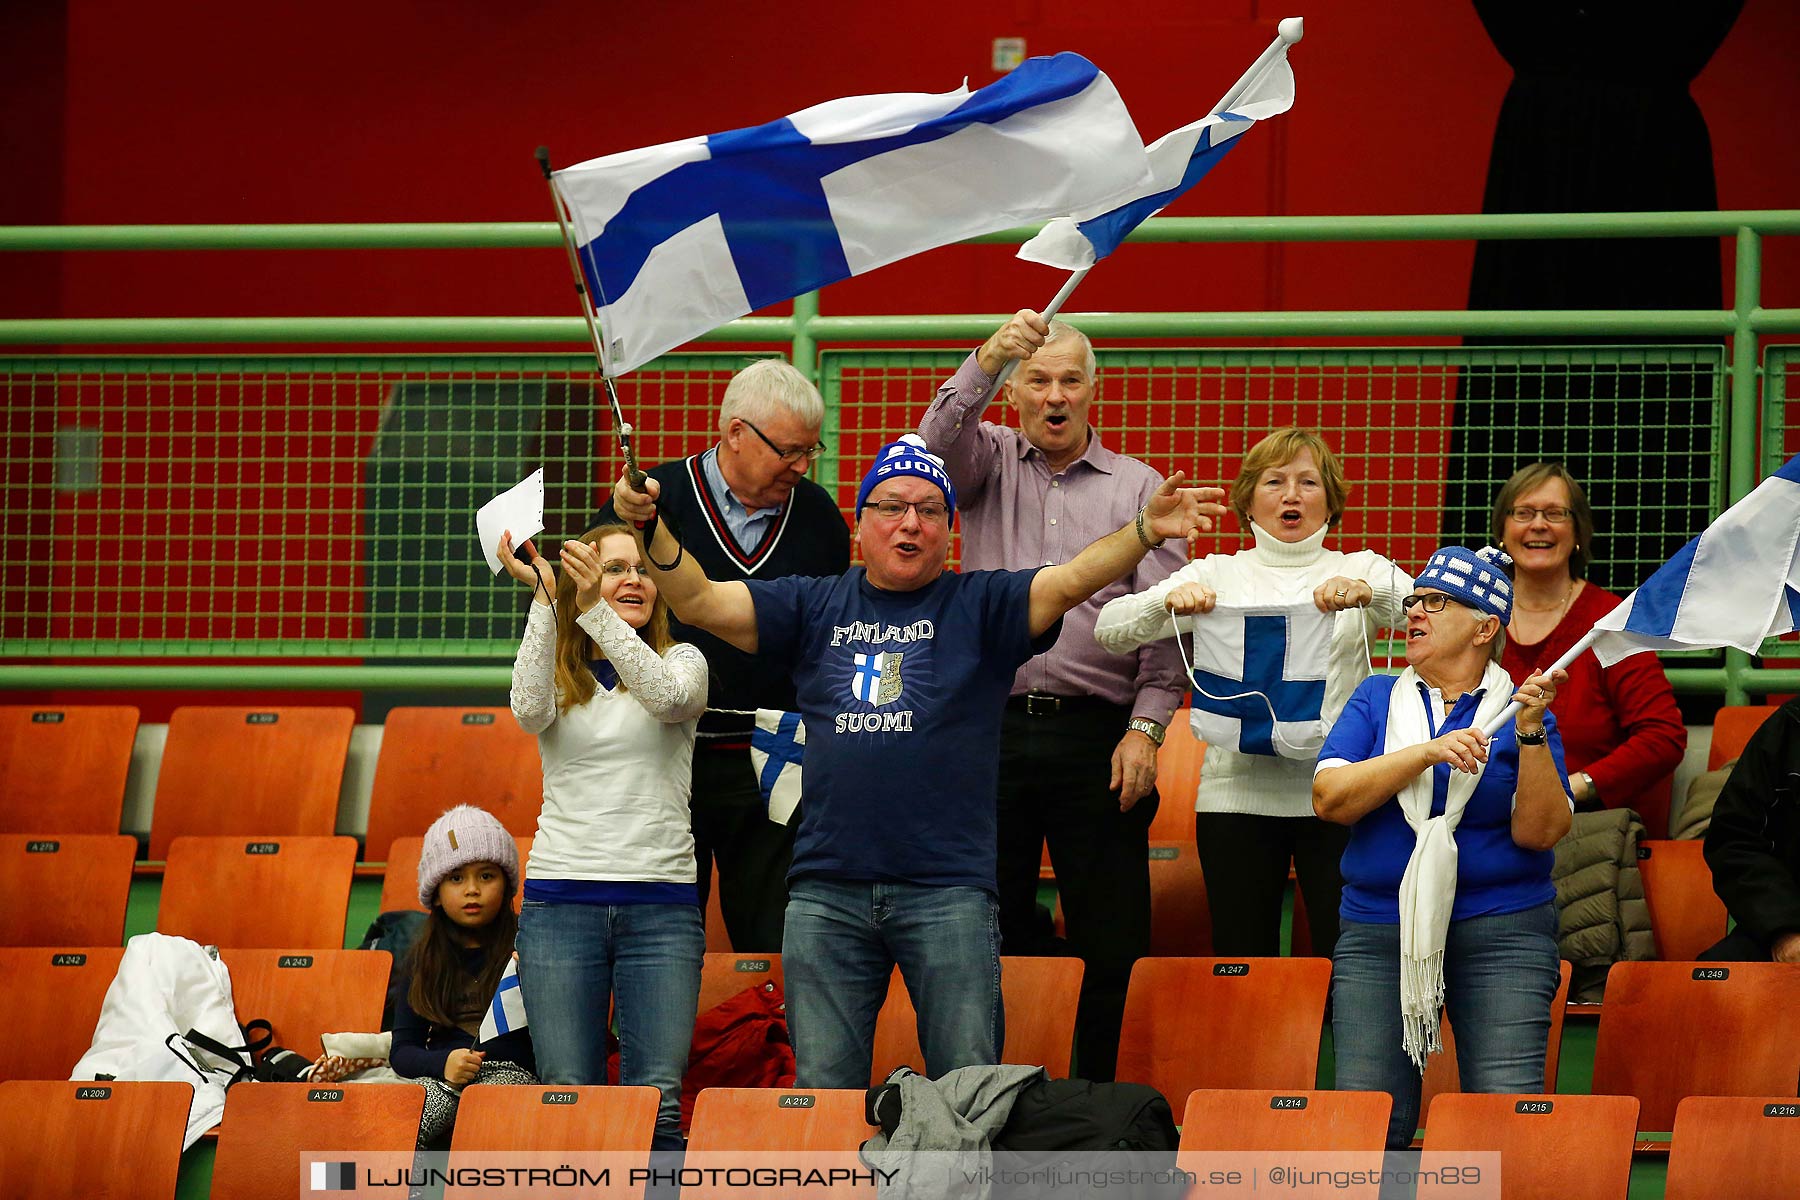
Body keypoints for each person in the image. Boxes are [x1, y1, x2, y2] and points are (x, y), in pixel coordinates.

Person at [610, 434, 1223, 1089]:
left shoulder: (983, 607)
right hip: (826, 896)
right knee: (823, 1095)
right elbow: (699, 600)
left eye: (930, 510)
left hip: (948, 894)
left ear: (949, 530)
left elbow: (1073, 577)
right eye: (893, 506)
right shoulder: (812, 605)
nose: (910, 522)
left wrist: (1142, 531)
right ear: (861, 522)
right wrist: (650, 529)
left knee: (967, 1092)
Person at [915, 310, 1186, 1081]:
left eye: (1071, 380)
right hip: (987, 731)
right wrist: (985, 358)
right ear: (1016, 391)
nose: (1056, 396)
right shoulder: (984, 461)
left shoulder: (1141, 489)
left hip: (1099, 737)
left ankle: (1098, 1096)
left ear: (1094, 390)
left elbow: (1166, 631)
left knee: (1111, 935)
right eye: (1039, 380)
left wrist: (1148, 730)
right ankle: (986, 1091)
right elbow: (926, 447)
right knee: (978, 925)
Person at [1096, 428, 1413, 960]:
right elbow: (1108, 628)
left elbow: (1437, 613)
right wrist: (1167, 603)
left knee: (1348, 958)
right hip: (1234, 800)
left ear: (1331, 499)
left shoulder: (1361, 567)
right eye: (1275, 481)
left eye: (1308, 482)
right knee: (1242, 960)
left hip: (1340, 797)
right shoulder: (1214, 572)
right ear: (1247, 499)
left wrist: (1373, 595)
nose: (1292, 494)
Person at [1313, 545, 1573, 1149]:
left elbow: (1538, 833)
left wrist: (1531, 733)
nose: (1415, 614)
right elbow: (1329, 798)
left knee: (1503, 1117)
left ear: (1486, 627)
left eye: (1437, 602)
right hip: (1379, 930)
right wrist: (1425, 752)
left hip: (1504, 930)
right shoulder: (1376, 698)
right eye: (1413, 603)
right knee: (1368, 1122)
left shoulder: (1521, 711)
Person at [592, 358, 850, 952]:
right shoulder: (644, 503)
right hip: (659, 752)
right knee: (660, 938)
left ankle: (776, 1046)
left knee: (775, 937)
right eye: (789, 450)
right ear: (735, 432)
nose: (803, 466)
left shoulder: (820, 521)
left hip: (774, 757)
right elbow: (594, 620)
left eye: (812, 450)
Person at [498, 523, 708, 1151]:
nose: (633, 580)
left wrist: (591, 608)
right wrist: (546, 599)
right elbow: (528, 709)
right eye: (613, 568)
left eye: (642, 570)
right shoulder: (562, 671)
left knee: (659, 1104)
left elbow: (668, 699)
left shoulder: (683, 661)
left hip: (662, 910)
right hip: (561, 907)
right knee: (568, 1096)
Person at [1491, 462, 1687, 837]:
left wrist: (1576, 786)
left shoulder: (1609, 624)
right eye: (1523, 513)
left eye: (1555, 514)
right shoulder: (1477, 616)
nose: (1538, 525)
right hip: (1479, 825)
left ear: (1578, 531)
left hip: (1579, 830)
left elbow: (1663, 736)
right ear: (1502, 529)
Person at [395, 804, 536, 1147]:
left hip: (513, 1075)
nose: (472, 889)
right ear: (437, 893)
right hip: (443, 1078)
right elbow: (401, 1051)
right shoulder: (422, 959)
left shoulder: (529, 948)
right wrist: (443, 1063)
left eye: (486, 876)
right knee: (397, 1122)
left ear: (506, 884)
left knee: (489, 1117)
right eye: (457, 878)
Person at [1702, 696, 1800, 963]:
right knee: (1706, 986)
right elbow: (1734, 838)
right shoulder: (1790, 725)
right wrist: (1784, 930)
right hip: (1791, 921)